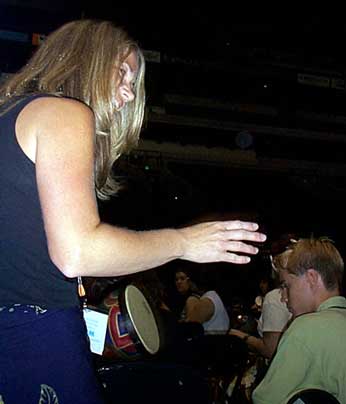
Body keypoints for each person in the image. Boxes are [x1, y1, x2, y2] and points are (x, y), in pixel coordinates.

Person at [0, 19, 266, 404]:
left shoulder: (11, 116)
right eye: (122, 72)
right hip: (32, 330)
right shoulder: (65, 113)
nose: (128, 92)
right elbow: (76, 252)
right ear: (85, 59)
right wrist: (184, 241)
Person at [252, 237, 346, 404]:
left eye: (286, 286)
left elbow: (265, 400)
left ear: (311, 278)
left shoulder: (306, 327)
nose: (283, 297)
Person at [175, 268, 230, 334]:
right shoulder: (213, 297)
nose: (179, 282)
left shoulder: (194, 299)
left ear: (191, 281)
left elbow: (189, 330)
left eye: (182, 278)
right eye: (176, 279)